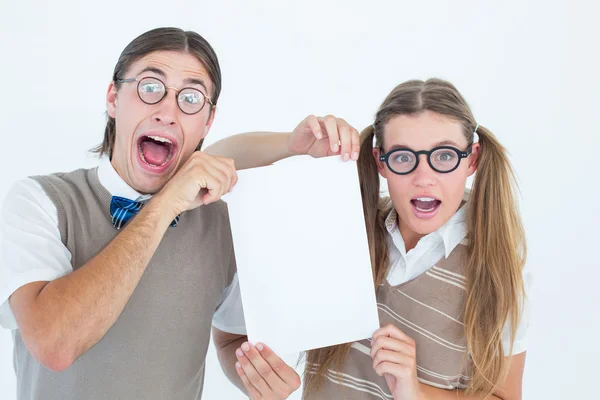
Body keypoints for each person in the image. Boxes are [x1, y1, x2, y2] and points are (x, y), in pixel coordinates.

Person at [0, 27, 360, 400]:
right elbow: (55, 344)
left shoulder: (222, 224)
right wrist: (165, 204)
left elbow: (232, 338)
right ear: (113, 98)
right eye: (150, 88)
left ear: (207, 122)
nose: (167, 112)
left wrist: (255, 375)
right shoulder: (38, 201)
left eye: (190, 98)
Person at [213, 79, 531, 400]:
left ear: (472, 159)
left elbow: (504, 396)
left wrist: (416, 392)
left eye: (445, 156)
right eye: (404, 157)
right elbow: (211, 163)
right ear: (381, 162)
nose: (424, 178)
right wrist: (294, 146)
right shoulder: (345, 226)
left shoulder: (499, 261)